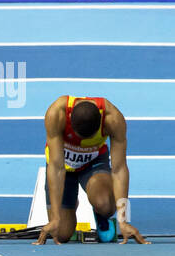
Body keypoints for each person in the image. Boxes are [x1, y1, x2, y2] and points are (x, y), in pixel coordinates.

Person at [37, 95, 147, 245]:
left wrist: (123, 221)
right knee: (61, 233)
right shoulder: (56, 114)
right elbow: (56, 168)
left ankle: (100, 214)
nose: (82, 143)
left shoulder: (113, 119)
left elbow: (119, 169)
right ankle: (69, 204)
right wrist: (55, 218)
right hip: (62, 166)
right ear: (70, 119)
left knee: (106, 204)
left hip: (92, 164)